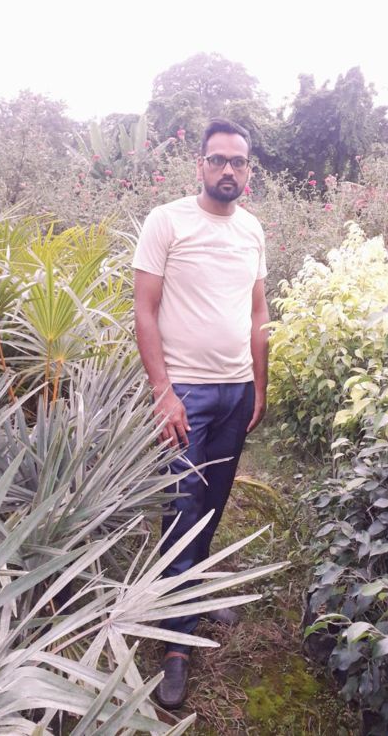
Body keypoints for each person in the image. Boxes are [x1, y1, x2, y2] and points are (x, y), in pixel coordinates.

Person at [132, 118, 269, 709]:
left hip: (236, 389)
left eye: (238, 161)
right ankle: (175, 643)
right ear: (201, 165)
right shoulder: (167, 221)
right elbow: (144, 309)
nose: (228, 170)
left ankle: (192, 586)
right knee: (181, 505)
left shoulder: (252, 229)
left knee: (213, 499)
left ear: (248, 170)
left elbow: (259, 312)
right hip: (185, 390)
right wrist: (162, 391)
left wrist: (260, 385)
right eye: (218, 160)